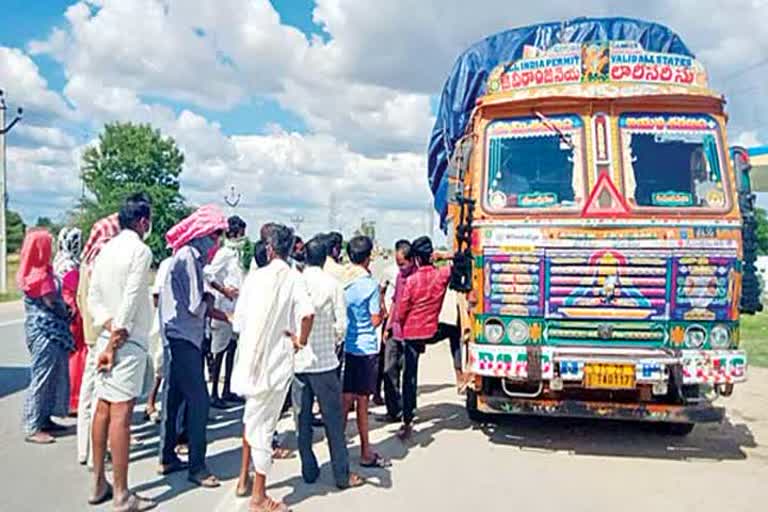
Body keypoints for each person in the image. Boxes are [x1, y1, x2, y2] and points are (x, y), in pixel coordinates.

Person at [232, 224, 315, 512]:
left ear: (269, 249)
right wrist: (300, 341)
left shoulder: (254, 278)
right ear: (291, 249)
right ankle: (259, 497)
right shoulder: (294, 278)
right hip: (275, 364)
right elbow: (308, 313)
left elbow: (237, 322)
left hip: (249, 363)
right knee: (264, 429)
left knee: (252, 420)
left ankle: (244, 480)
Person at [87, 193, 156, 510]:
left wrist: (108, 326)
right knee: (120, 416)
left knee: (101, 410)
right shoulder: (140, 251)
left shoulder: (105, 249)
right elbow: (130, 299)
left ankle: (99, 481)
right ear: (143, 221)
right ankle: (121, 493)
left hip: (106, 335)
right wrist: (117, 338)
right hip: (124, 343)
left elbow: (93, 297)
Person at [158, 205, 228, 489]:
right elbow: (196, 305)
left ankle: (167, 455)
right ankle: (197, 466)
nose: (216, 244)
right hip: (184, 337)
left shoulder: (187, 257)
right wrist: (212, 302)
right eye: (215, 237)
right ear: (204, 234)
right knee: (199, 401)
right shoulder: (188, 259)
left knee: (174, 398)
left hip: (178, 336)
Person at [292, 237, 364, 489]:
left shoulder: (295, 283)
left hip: (299, 363)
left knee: (301, 422)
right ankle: (341, 475)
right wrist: (330, 340)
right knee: (334, 423)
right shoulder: (332, 284)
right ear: (325, 259)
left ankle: (309, 470)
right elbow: (342, 325)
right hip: (324, 363)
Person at [18, 229, 74, 445]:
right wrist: (67, 311)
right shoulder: (38, 274)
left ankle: (45, 418)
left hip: (48, 330)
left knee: (52, 376)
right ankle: (32, 425)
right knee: (42, 376)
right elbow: (53, 302)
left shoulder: (41, 270)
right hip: (44, 330)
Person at [396, 236, 453, 441]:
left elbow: (402, 310)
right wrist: (445, 256)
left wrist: (399, 326)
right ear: (431, 256)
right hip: (432, 331)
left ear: (416, 259)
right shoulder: (442, 275)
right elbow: (465, 259)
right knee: (454, 331)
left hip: (412, 332)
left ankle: (408, 420)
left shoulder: (411, 281)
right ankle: (460, 369)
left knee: (409, 376)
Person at [76, 213, 120, 466]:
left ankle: (85, 449)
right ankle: (96, 454)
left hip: (90, 332)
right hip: (101, 333)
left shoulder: (86, 262)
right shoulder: (101, 265)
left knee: (87, 393)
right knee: (99, 395)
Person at [341, 235, 389, 468]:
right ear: (368, 258)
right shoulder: (369, 285)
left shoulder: (344, 281)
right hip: (366, 348)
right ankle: (365, 451)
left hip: (349, 346)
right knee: (362, 402)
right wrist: (381, 308)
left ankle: (338, 447)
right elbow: (374, 320)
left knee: (345, 398)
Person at [205, 215, 247, 408]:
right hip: (223, 308)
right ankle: (214, 393)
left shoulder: (237, 254)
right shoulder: (224, 253)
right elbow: (208, 274)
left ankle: (227, 389)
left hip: (236, 308)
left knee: (231, 349)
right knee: (219, 350)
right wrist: (223, 290)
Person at [379, 239, 414, 423]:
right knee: (388, 370)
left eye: (402, 263)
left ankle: (407, 412)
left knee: (407, 374)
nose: (399, 267)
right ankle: (393, 410)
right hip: (395, 330)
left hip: (410, 333)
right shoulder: (399, 277)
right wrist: (387, 327)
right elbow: (394, 302)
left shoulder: (416, 277)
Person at [54, 227, 86, 416]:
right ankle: (74, 398)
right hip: (74, 310)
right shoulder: (71, 264)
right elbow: (73, 289)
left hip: (64, 311)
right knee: (77, 355)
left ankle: (66, 398)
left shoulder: (58, 260)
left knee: (69, 355)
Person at [145, 256, 172, 423]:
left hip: (180, 325)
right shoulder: (167, 264)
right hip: (165, 322)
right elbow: (156, 297)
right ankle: (150, 404)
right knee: (159, 365)